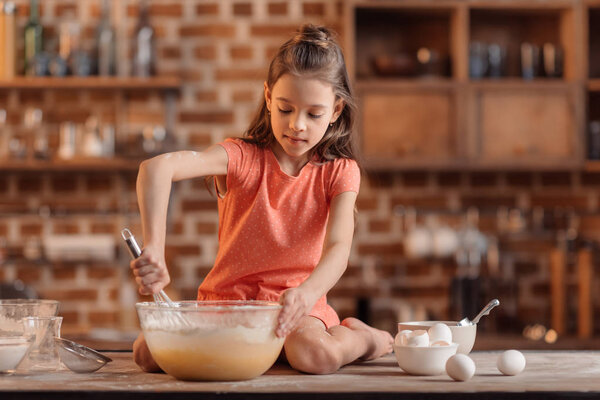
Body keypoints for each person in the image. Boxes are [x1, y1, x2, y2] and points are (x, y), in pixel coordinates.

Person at [130, 24, 393, 375]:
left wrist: (306, 292)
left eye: (314, 114)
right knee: (147, 353)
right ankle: (269, 351)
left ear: (335, 110)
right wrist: (154, 249)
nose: (297, 124)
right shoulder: (240, 157)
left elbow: (339, 249)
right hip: (229, 306)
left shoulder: (340, 171)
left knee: (316, 355)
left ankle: (366, 339)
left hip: (294, 306)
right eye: (286, 109)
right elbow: (156, 169)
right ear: (268, 97)